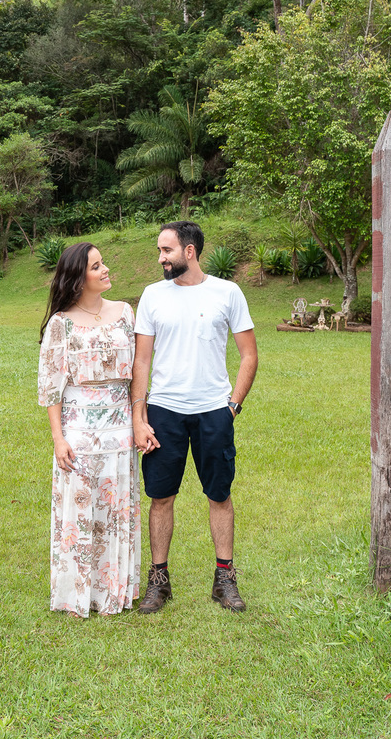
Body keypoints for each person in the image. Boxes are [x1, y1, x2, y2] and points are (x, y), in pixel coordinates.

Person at [132, 221, 258, 613]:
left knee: (219, 494)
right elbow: (141, 362)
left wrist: (232, 406)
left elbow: (249, 355)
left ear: (189, 251)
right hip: (164, 411)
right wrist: (140, 416)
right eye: (159, 250)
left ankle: (225, 580)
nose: (160, 258)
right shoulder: (153, 296)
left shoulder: (227, 293)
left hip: (213, 413)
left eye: (166, 250)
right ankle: (158, 582)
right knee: (160, 496)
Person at [37, 242, 141, 617]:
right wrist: (58, 438)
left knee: (116, 513)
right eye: (97, 267)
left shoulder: (126, 313)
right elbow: (50, 385)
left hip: (120, 430)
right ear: (79, 279)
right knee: (79, 513)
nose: (106, 270)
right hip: (78, 432)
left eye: (103, 263)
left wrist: (140, 420)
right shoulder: (61, 323)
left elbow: (139, 373)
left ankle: (114, 593)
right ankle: (77, 594)